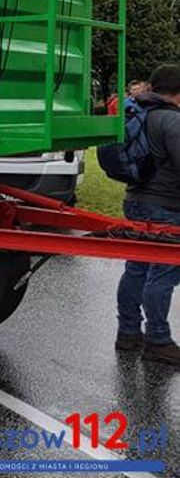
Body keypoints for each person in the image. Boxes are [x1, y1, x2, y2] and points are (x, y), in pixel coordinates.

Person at [116, 64, 180, 366]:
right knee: (162, 272)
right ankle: (158, 339)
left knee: (136, 268)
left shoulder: (134, 113)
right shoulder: (171, 120)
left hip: (134, 200)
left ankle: (128, 332)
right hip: (165, 206)